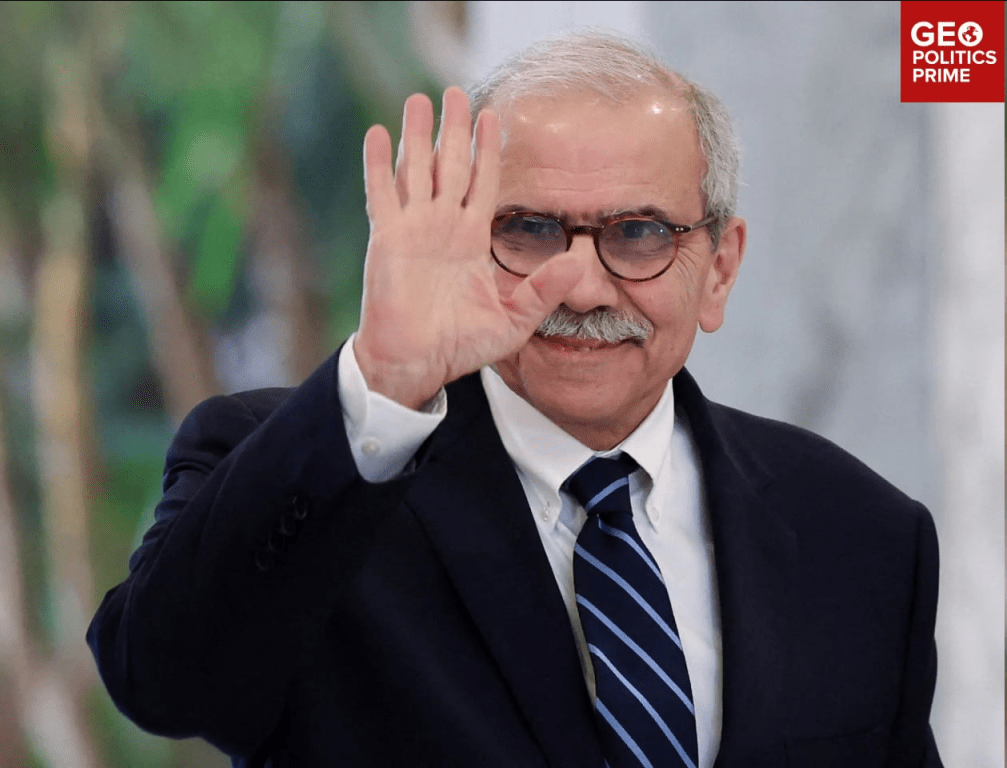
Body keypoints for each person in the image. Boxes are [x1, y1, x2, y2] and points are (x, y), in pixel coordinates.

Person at [87, 31, 943, 768]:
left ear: (718, 269)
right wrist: (384, 381)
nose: (581, 286)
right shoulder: (305, 467)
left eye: (639, 234)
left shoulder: (863, 534)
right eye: (529, 231)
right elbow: (163, 683)